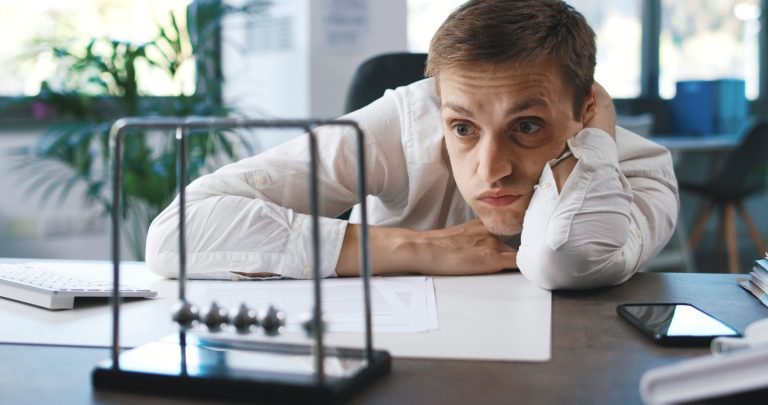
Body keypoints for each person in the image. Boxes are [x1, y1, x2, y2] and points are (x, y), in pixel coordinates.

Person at [146, 0, 678, 290]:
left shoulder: (640, 170)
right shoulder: (405, 120)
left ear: (585, 107)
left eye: (528, 126)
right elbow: (175, 233)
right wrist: (421, 247)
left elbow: (569, 258)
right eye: (463, 128)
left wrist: (596, 132)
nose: (490, 170)